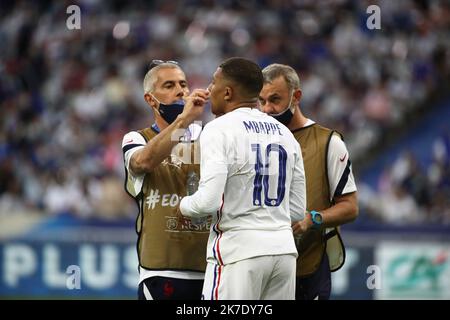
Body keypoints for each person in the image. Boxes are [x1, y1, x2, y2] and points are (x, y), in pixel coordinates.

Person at [179, 57, 306, 300]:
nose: (208, 89)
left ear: (227, 92)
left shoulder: (218, 129)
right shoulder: (285, 134)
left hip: (238, 252)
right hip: (284, 254)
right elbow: (298, 210)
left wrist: (183, 205)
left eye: (212, 82)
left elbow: (207, 202)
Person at [259, 63, 359, 300]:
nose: (266, 109)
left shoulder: (328, 142)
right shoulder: (256, 140)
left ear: (297, 96)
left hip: (308, 267)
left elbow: (350, 207)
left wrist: (313, 219)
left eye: (275, 100)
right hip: (262, 264)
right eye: (261, 101)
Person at [122, 60, 210, 300]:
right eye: (169, 85)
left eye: (183, 84)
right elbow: (143, 163)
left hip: (211, 268)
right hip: (162, 270)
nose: (181, 91)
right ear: (150, 99)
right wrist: (184, 121)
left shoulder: (212, 137)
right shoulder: (136, 138)